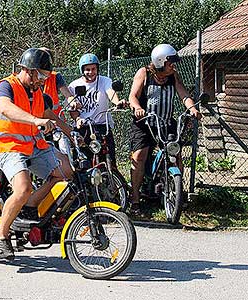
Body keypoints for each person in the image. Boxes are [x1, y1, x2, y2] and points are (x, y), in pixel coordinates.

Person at [0, 48, 69, 260]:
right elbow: (6, 108)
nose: (43, 80)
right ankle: (1, 235)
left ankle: (31, 205)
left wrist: (77, 134)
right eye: (41, 75)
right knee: (23, 188)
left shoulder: (38, 94)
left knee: (65, 172)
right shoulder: (5, 86)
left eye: (46, 76)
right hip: (6, 145)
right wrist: (35, 120)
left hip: (33, 145)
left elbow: (52, 117)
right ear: (29, 71)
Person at [129, 44, 202, 214]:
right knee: (139, 156)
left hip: (166, 122)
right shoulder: (144, 73)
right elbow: (133, 96)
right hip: (145, 123)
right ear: (160, 62)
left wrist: (192, 108)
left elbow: (183, 94)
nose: (173, 66)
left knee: (175, 155)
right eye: (170, 63)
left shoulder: (173, 76)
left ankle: (177, 194)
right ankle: (135, 200)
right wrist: (137, 108)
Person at [68, 53, 126, 164]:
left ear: (97, 68)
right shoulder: (74, 86)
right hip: (83, 127)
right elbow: (72, 108)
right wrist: (77, 119)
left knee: (110, 158)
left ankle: (112, 178)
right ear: (82, 70)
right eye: (87, 69)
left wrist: (118, 102)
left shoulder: (105, 81)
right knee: (83, 161)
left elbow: (111, 93)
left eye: (93, 69)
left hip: (102, 125)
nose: (91, 72)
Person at [38, 47, 74, 116]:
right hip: (37, 118)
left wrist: (72, 101)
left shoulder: (56, 77)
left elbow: (68, 95)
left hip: (55, 118)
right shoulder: (30, 77)